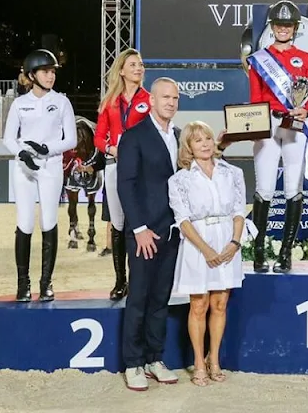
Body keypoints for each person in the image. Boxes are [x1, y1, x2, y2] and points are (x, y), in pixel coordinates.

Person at [168, 121, 247, 386]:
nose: (205, 143)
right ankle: (199, 363)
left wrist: (234, 243)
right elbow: (183, 220)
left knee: (220, 304)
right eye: (198, 140)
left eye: (208, 138)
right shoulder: (179, 179)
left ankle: (215, 360)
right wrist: (206, 250)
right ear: (188, 146)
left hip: (227, 242)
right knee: (199, 305)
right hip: (197, 245)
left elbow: (238, 211)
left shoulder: (232, 173)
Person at [117, 77, 180, 391]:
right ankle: (132, 363)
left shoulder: (179, 137)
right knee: (139, 299)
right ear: (151, 101)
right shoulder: (134, 136)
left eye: (175, 98)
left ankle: (155, 358)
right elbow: (125, 185)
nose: (171, 102)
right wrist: (139, 229)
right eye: (165, 97)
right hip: (145, 234)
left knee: (160, 299)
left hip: (172, 232)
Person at [3, 49, 77, 302]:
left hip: (50, 167)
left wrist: (49, 149)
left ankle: (46, 283)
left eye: (53, 71)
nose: (51, 75)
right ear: (32, 75)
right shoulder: (19, 104)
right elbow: (9, 138)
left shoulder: (62, 102)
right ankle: (23, 284)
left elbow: (71, 139)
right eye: (46, 71)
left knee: (48, 221)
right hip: (24, 168)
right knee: (24, 222)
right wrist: (22, 153)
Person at [247, 0, 308, 274]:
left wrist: (305, 110)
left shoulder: (307, 60)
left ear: (295, 28)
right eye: (278, 25)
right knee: (263, 188)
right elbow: (255, 98)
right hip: (269, 124)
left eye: (288, 25)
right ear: (272, 27)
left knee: (292, 188)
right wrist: (254, 127)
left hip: (295, 126)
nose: (283, 29)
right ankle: (259, 251)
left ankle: (285, 253)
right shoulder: (259, 60)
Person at [94, 48, 150, 301]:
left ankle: (139, 280)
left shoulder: (149, 99)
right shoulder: (109, 102)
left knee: (139, 222)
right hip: (116, 165)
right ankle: (120, 280)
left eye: (140, 65)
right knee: (117, 223)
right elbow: (98, 137)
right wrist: (111, 148)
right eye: (133, 65)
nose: (138, 68)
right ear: (122, 71)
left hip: (143, 168)